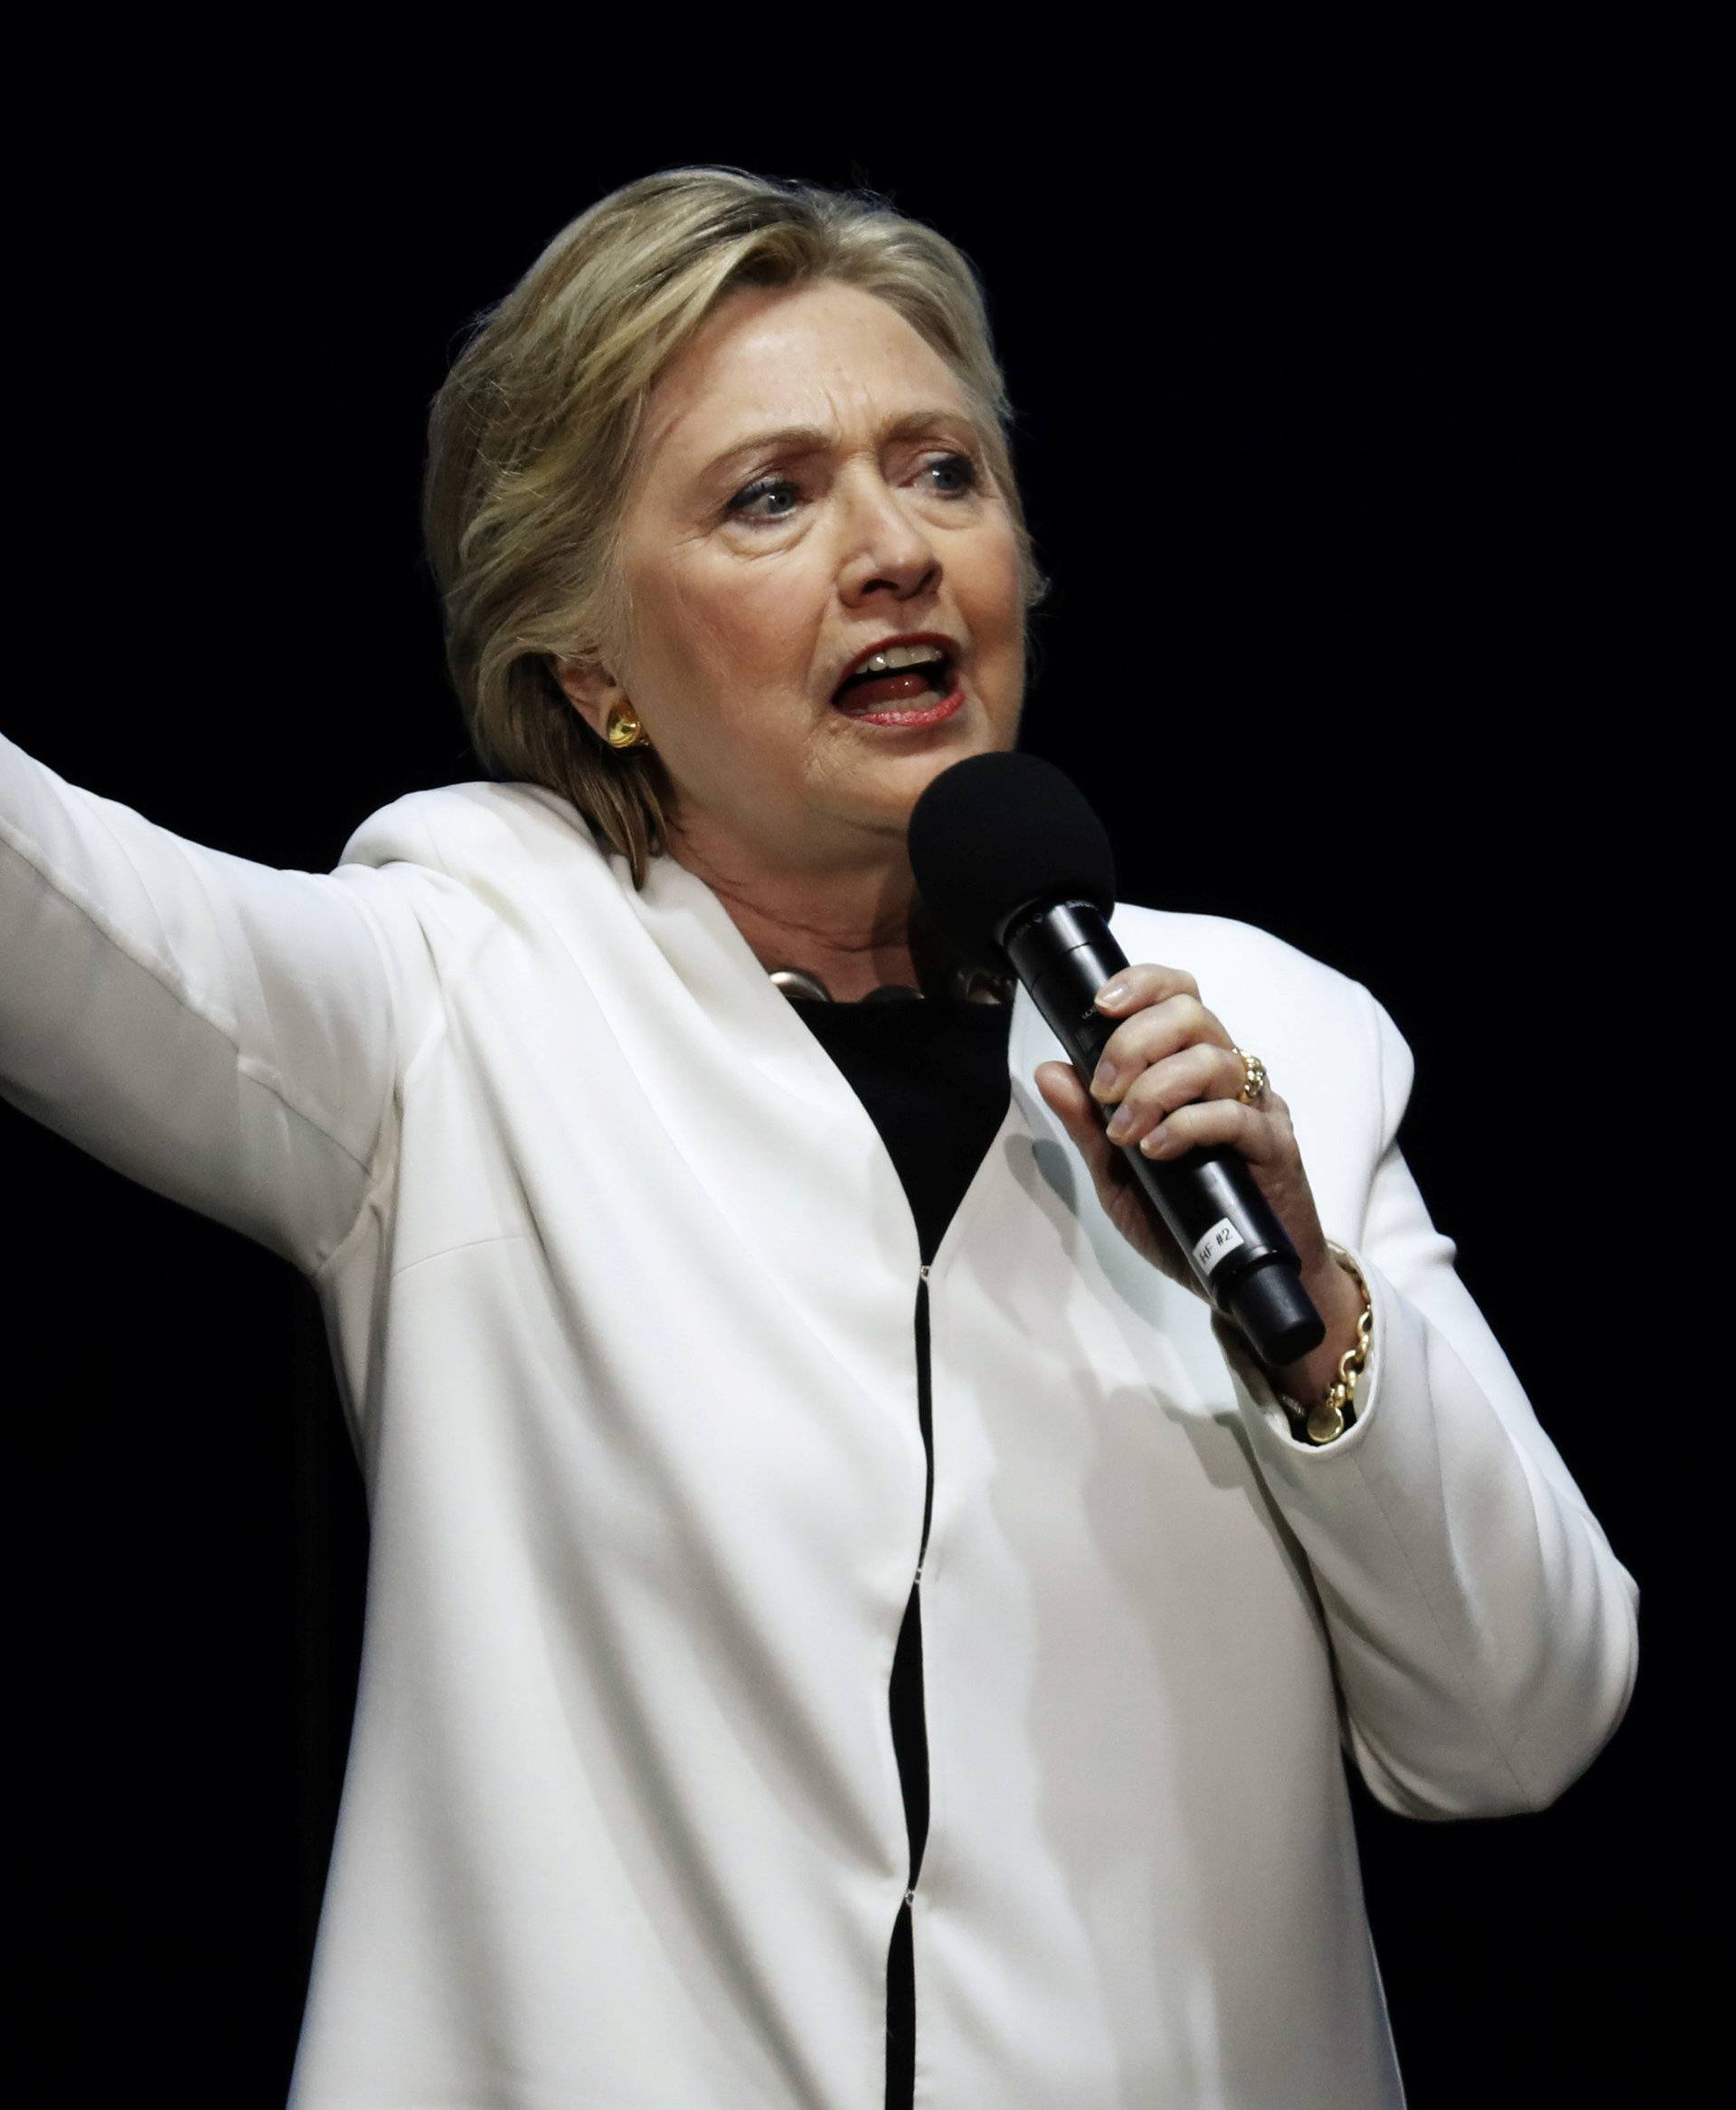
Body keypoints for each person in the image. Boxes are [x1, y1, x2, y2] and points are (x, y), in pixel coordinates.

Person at [0, 166, 1637, 2110]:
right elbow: (54, 914)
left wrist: (1318, 1332)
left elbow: (1519, 1723)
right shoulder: (457, 999)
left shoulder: (1264, 1039)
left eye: (941, 471)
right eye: (771, 497)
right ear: (588, 667)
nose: (894, 552)